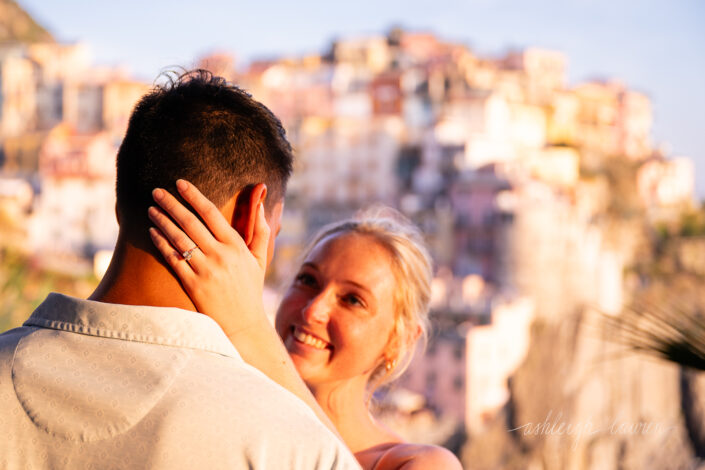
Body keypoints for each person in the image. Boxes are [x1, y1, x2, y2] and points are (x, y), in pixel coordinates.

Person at [0, 70, 359, 469]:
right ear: (250, 218)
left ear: (119, 205)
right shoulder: (285, 440)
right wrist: (251, 328)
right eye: (272, 228)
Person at [147, 181, 464, 469]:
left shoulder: (420, 463)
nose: (314, 309)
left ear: (400, 341)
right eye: (308, 280)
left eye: (353, 300)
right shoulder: (224, 425)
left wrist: (247, 325)